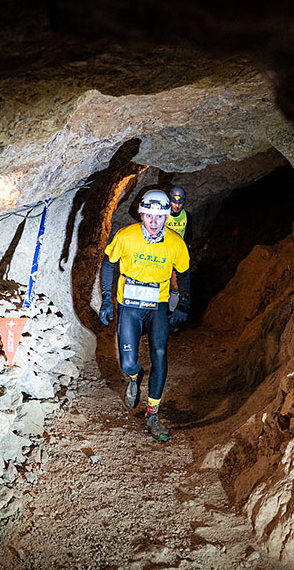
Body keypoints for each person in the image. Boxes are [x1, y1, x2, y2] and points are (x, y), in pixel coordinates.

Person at [98, 190, 191, 442]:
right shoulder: (126, 236)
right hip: (129, 304)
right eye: (149, 216)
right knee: (128, 362)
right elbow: (109, 263)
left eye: (159, 217)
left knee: (159, 351)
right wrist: (106, 298)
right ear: (141, 214)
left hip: (157, 303)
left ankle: (152, 414)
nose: (153, 222)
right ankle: (135, 377)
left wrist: (183, 303)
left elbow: (183, 273)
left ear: (166, 217)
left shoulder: (175, 243)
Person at [165, 185, 188, 313]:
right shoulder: (164, 214)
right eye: (174, 202)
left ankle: (171, 313)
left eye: (180, 203)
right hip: (163, 252)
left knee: (175, 286)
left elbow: (188, 236)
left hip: (177, 254)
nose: (177, 206)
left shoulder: (186, 216)